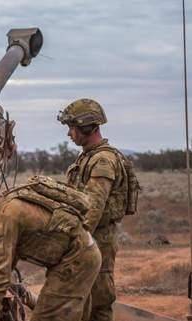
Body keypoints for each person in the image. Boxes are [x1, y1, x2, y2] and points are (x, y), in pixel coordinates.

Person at [0, 168, 101, 321]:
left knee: (47, 316)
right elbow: (10, 253)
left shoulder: (6, 216)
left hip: (75, 260)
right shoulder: (10, 200)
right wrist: (3, 289)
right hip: (83, 251)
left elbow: (0, 264)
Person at [57, 98, 139, 321]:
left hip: (97, 240)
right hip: (89, 238)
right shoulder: (89, 156)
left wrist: (75, 242)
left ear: (86, 126)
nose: (69, 134)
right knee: (83, 300)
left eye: (72, 128)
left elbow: (93, 208)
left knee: (98, 302)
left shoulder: (102, 160)